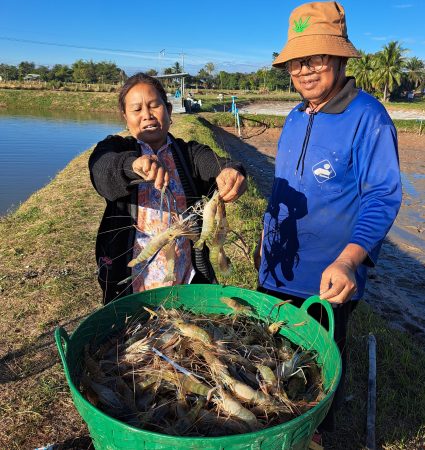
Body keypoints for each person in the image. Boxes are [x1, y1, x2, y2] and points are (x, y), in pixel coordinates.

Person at [255, 0, 402, 439]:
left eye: (316, 58)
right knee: (268, 370)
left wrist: (349, 261)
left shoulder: (368, 117)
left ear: (339, 57)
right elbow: (284, 189)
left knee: (316, 378)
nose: (304, 70)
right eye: (296, 61)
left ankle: (316, 438)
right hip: (275, 272)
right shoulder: (295, 116)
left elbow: (382, 196)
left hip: (327, 283)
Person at [89, 73, 247, 304]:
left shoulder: (188, 153)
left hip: (185, 277)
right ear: (125, 117)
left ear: (169, 110)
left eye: (154, 106)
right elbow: (101, 169)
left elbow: (217, 163)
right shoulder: (115, 148)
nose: (147, 115)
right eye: (137, 110)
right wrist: (133, 166)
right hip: (134, 284)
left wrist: (233, 171)